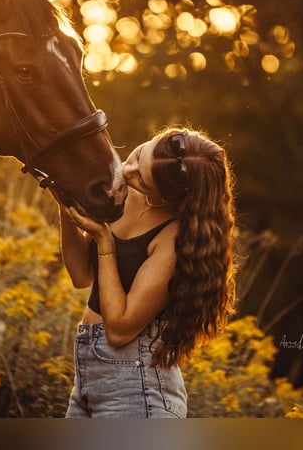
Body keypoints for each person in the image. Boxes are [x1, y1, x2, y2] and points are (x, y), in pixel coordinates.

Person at [55, 125, 238, 418]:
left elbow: (119, 330)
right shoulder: (123, 192)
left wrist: (105, 241)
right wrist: (65, 204)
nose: (128, 171)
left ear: (166, 196)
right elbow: (81, 276)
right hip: (89, 380)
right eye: (140, 154)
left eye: (141, 178)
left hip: (138, 391)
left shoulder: (175, 239)